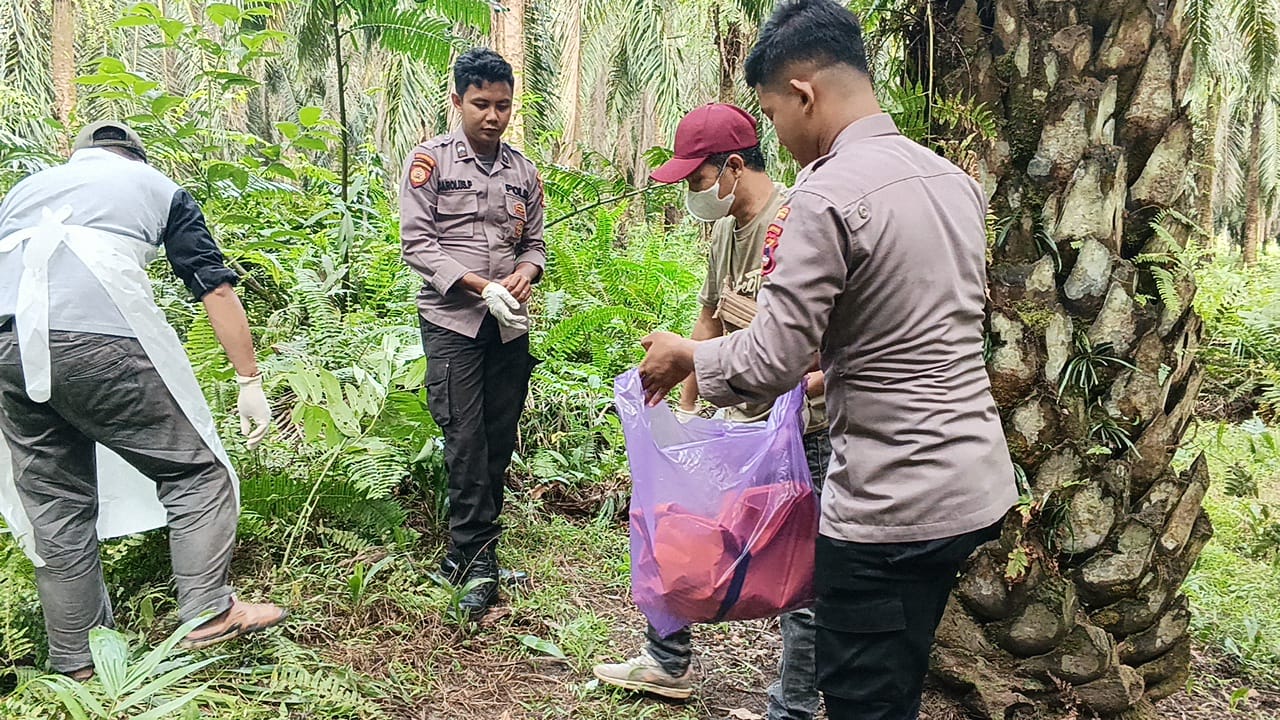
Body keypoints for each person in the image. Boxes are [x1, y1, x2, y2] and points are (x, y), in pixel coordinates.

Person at [635, 2, 1019, 718]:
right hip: (973, 487)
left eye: (774, 113)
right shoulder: (952, 181)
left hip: (890, 503)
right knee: (896, 674)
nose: (775, 135)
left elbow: (772, 360)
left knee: (861, 697)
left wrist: (687, 356)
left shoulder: (826, 193)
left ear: (804, 91)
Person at [0, 121, 288, 681]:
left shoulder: (26, 190)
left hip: (5, 348)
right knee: (198, 473)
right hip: (94, 342)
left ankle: (77, 664)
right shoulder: (157, 187)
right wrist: (249, 380)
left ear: (78, 156)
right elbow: (215, 287)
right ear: (136, 157)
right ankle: (209, 610)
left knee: (56, 505)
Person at [593, 103, 828, 720]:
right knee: (674, 526)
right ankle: (665, 662)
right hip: (738, 425)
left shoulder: (797, 221)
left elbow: (820, 340)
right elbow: (710, 317)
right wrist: (690, 417)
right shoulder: (725, 231)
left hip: (802, 431)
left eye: (696, 180)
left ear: (731, 167)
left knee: (801, 569)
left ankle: (795, 706)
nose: (693, 195)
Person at [399, 48, 545, 619]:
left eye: (503, 106)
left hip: (508, 328)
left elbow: (534, 244)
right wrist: (482, 287)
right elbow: (418, 244)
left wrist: (525, 273)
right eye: (481, 104)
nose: (493, 116)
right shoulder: (429, 163)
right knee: (464, 439)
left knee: (498, 436)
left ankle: (472, 554)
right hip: (452, 322)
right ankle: (476, 558)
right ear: (456, 101)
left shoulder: (523, 171)